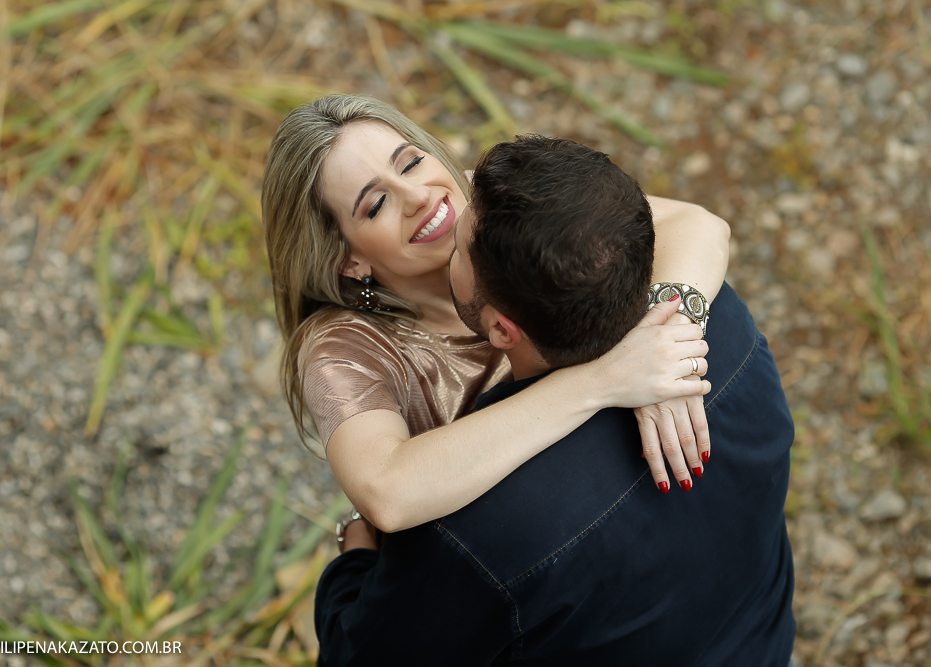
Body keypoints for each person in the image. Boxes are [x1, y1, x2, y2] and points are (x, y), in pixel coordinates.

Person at [314, 135, 796, 666]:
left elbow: (357, 656)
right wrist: (629, 358)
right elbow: (699, 225)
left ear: (502, 330)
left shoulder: (479, 531)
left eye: (458, 251)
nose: (435, 201)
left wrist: (357, 543)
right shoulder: (726, 328)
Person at [262, 94, 730, 534]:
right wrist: (604, 379)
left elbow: (697, 224)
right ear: (349, 261)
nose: (419, 196)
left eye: (411, 162)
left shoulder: (481, 201)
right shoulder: (341, 349)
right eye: (377, 204)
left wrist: (668, 346)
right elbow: (385, 493)